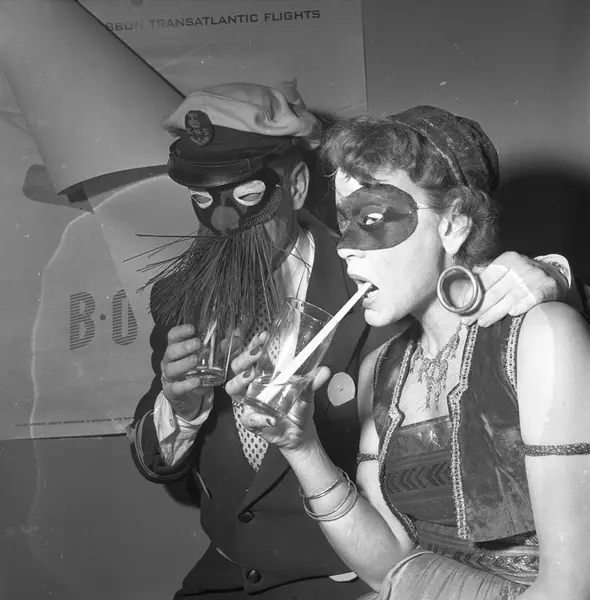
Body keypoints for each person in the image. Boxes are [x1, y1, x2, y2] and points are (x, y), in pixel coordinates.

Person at [128, 85, 579, 600]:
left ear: (297, 186)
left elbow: (488, 316)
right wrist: (183, 412)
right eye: (202, 199)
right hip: (233, 576)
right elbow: (390, 560)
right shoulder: (184, 298)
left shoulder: (385, 293)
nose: (224, 220)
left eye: (249, 196)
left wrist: (553, 275)